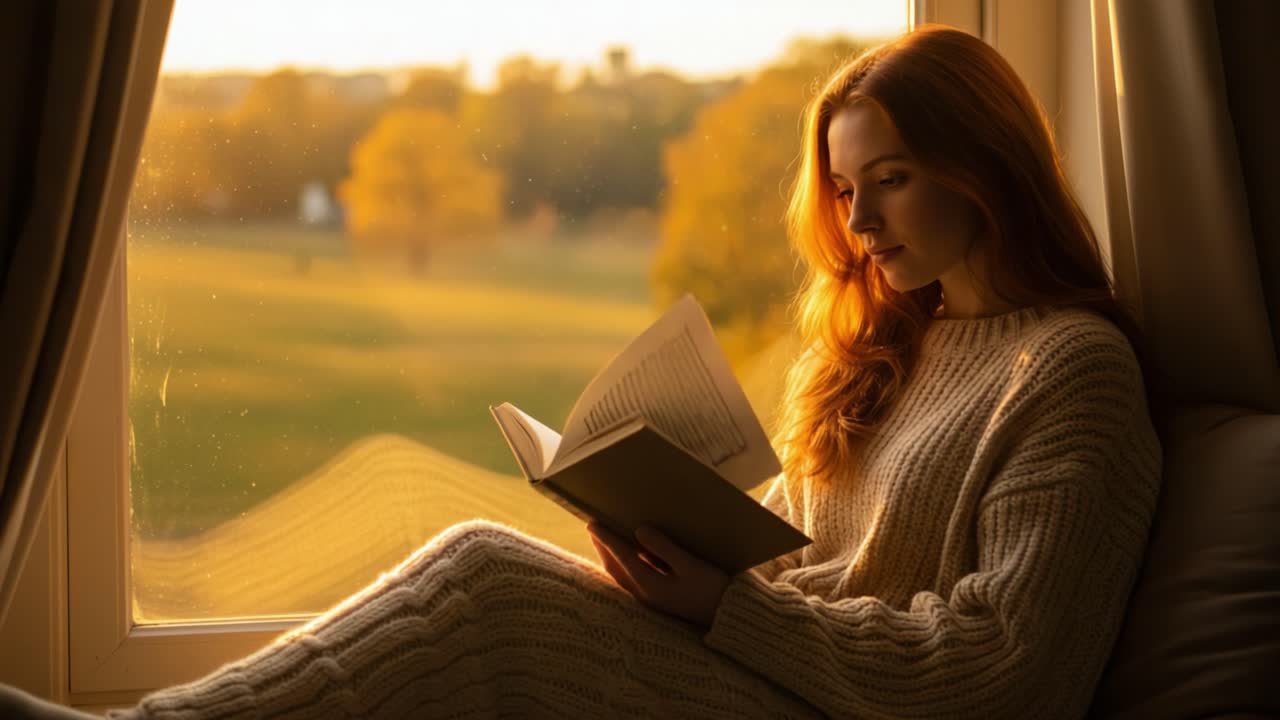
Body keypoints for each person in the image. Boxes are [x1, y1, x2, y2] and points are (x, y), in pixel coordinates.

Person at [106, 24, 1162, 720]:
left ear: (985, 167)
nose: (861, 221)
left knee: (486, 583)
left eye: (889, 179)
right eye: (843, 191)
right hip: (765, 669)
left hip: (818, 700)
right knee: (490, 579)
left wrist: (728, 611)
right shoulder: (891, 351)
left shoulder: (1070, 371)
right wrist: (670, 540)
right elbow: (786, 553)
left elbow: (1013, 668)